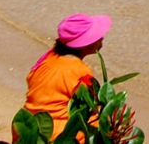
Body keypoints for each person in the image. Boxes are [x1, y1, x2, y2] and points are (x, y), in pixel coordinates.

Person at [17, 12, 111, 140]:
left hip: (25, 129)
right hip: (58, 136)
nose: (102, 37)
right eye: (97, 36)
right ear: (85, 44)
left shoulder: (46, 60)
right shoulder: (79, 71)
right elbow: (89, 112)